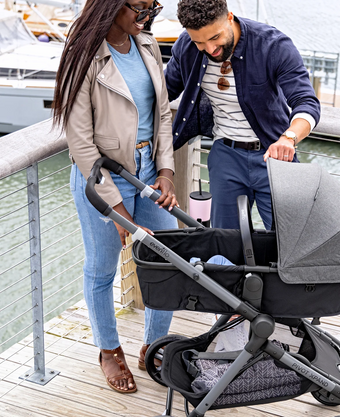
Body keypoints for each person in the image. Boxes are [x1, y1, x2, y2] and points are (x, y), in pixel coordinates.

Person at [52, 0, 178, 394]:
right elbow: (81, 143)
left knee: (167, 259)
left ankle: (153, 345)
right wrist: (117, 208)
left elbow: (162, 116)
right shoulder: (83, 54)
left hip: (148, 171)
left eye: (153, 7)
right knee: (102, 268)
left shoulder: (147, 44)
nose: (147, 16)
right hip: (102, 179)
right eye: (140, 8)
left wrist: (166, 170)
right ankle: (109, 350)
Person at [164, 0, 321, 230]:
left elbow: (306, 102)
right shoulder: (185, 46)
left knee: (285, 240)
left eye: (215, 37)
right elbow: (162, 93)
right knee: (226, 242)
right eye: (200, 42)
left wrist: (289, 138)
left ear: (229, 17)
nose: (210, 49)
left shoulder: (273, 45)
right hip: (224, 157)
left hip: (274, 157)